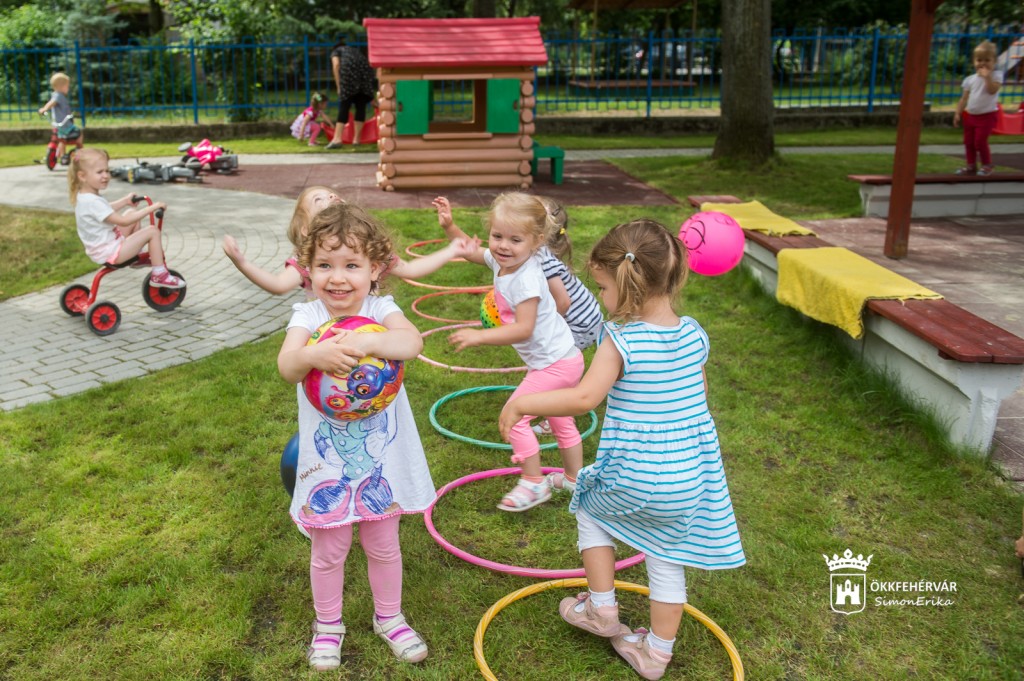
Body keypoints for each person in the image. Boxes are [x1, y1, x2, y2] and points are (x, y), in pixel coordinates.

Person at [498, 219, 746, 681]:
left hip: (636, 474)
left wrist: (523, 404)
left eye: (603, 287)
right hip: (689, 477)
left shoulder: (622, 339)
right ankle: (656, 655)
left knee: (589, 508)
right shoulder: (695, 334)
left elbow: (584, 398)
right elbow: (699, 399)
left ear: (628, 286)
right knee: (667, 555)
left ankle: (602, 609)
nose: (600, 296)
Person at [278, 202, 434, 670]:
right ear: (308, 270)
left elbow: (411, 342)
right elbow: (287, 366)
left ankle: (390, 618)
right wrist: (314, 355)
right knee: (330, 548)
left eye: (351, 265)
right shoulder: (307, 316)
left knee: (384, 543)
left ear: (375, 270)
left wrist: (369, 341)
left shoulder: (381, 309)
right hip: (327, 462)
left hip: (381, 460)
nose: (338, 278)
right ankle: (328, 626)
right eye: (325, 265)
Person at [433, 192, 584, 511]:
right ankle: (574, 479)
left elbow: (523, 328)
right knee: (561, 422)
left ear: (536, 241)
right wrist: (449, 227)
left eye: (515, 240)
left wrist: (480, 337)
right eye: (497, 236)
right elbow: (472, 252)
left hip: (555, 365)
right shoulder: (506, 261)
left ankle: (533, 482)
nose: (503, 246)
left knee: (514, 416)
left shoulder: (526, 279)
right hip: (562, 358)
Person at [223, 186, 477, 299]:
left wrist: (450, 250)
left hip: (370, 330)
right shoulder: (308, 259)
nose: (331, 197)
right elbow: (279, 286)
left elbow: (410, 270)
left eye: (332, 195)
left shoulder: (367, 247)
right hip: (325, 334)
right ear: (306, 229)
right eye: (319, 200)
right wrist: (242, 262)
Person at [530, 196, 604, 444]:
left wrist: (548, 330)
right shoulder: (536, 253)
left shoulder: (542, 260)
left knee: (554, 364)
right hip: (585, 316)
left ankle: (556, 418)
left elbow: (563, 302)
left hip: (579, 323)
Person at [68, 148, 183, 289]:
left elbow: (105, 210)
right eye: (99, 172)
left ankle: (135, 257)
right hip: (111, 253)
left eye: (107, 171)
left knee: (130, 212)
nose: (106, 176)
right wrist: (152, 208)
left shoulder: (85, 196)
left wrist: (125, 201)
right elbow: (123, 222)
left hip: (104, 248)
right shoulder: (93, 201)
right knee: (152, 231)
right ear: (82, 176)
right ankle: (159, 275)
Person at [954, 40, 1003, 176]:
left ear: (994, 62)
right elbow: (964, 98)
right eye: (979, 60)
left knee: (980, 141)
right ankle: (971, 165)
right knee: (968, 142)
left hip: (987, 115)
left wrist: (987, 77)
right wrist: (958, 112)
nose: (983, 63)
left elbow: (992, 90)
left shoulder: (996, 76)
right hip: (971, 116)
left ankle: (987, 165)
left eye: (987, 60)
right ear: (974, 61)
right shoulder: (970, 79)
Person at [326, 38, 377, 150]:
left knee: (344, 106)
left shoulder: (336, 51)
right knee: (360, 106)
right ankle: (356, 140)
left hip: (349, 77)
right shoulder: (355, 51)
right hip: (365, 75)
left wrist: (339, 86)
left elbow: (336, 65)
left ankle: (337, 139)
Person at [37, 72, 82, 165]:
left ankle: (63, 156)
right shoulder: (59, 95)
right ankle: (79, 150)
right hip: (65, 124)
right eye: (67, 86)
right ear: (61, 86)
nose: (68, 88)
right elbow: (52, 102)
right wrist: (45, 108)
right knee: (79, 134)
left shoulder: (57, 95)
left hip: (59, 124)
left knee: (61, 139)